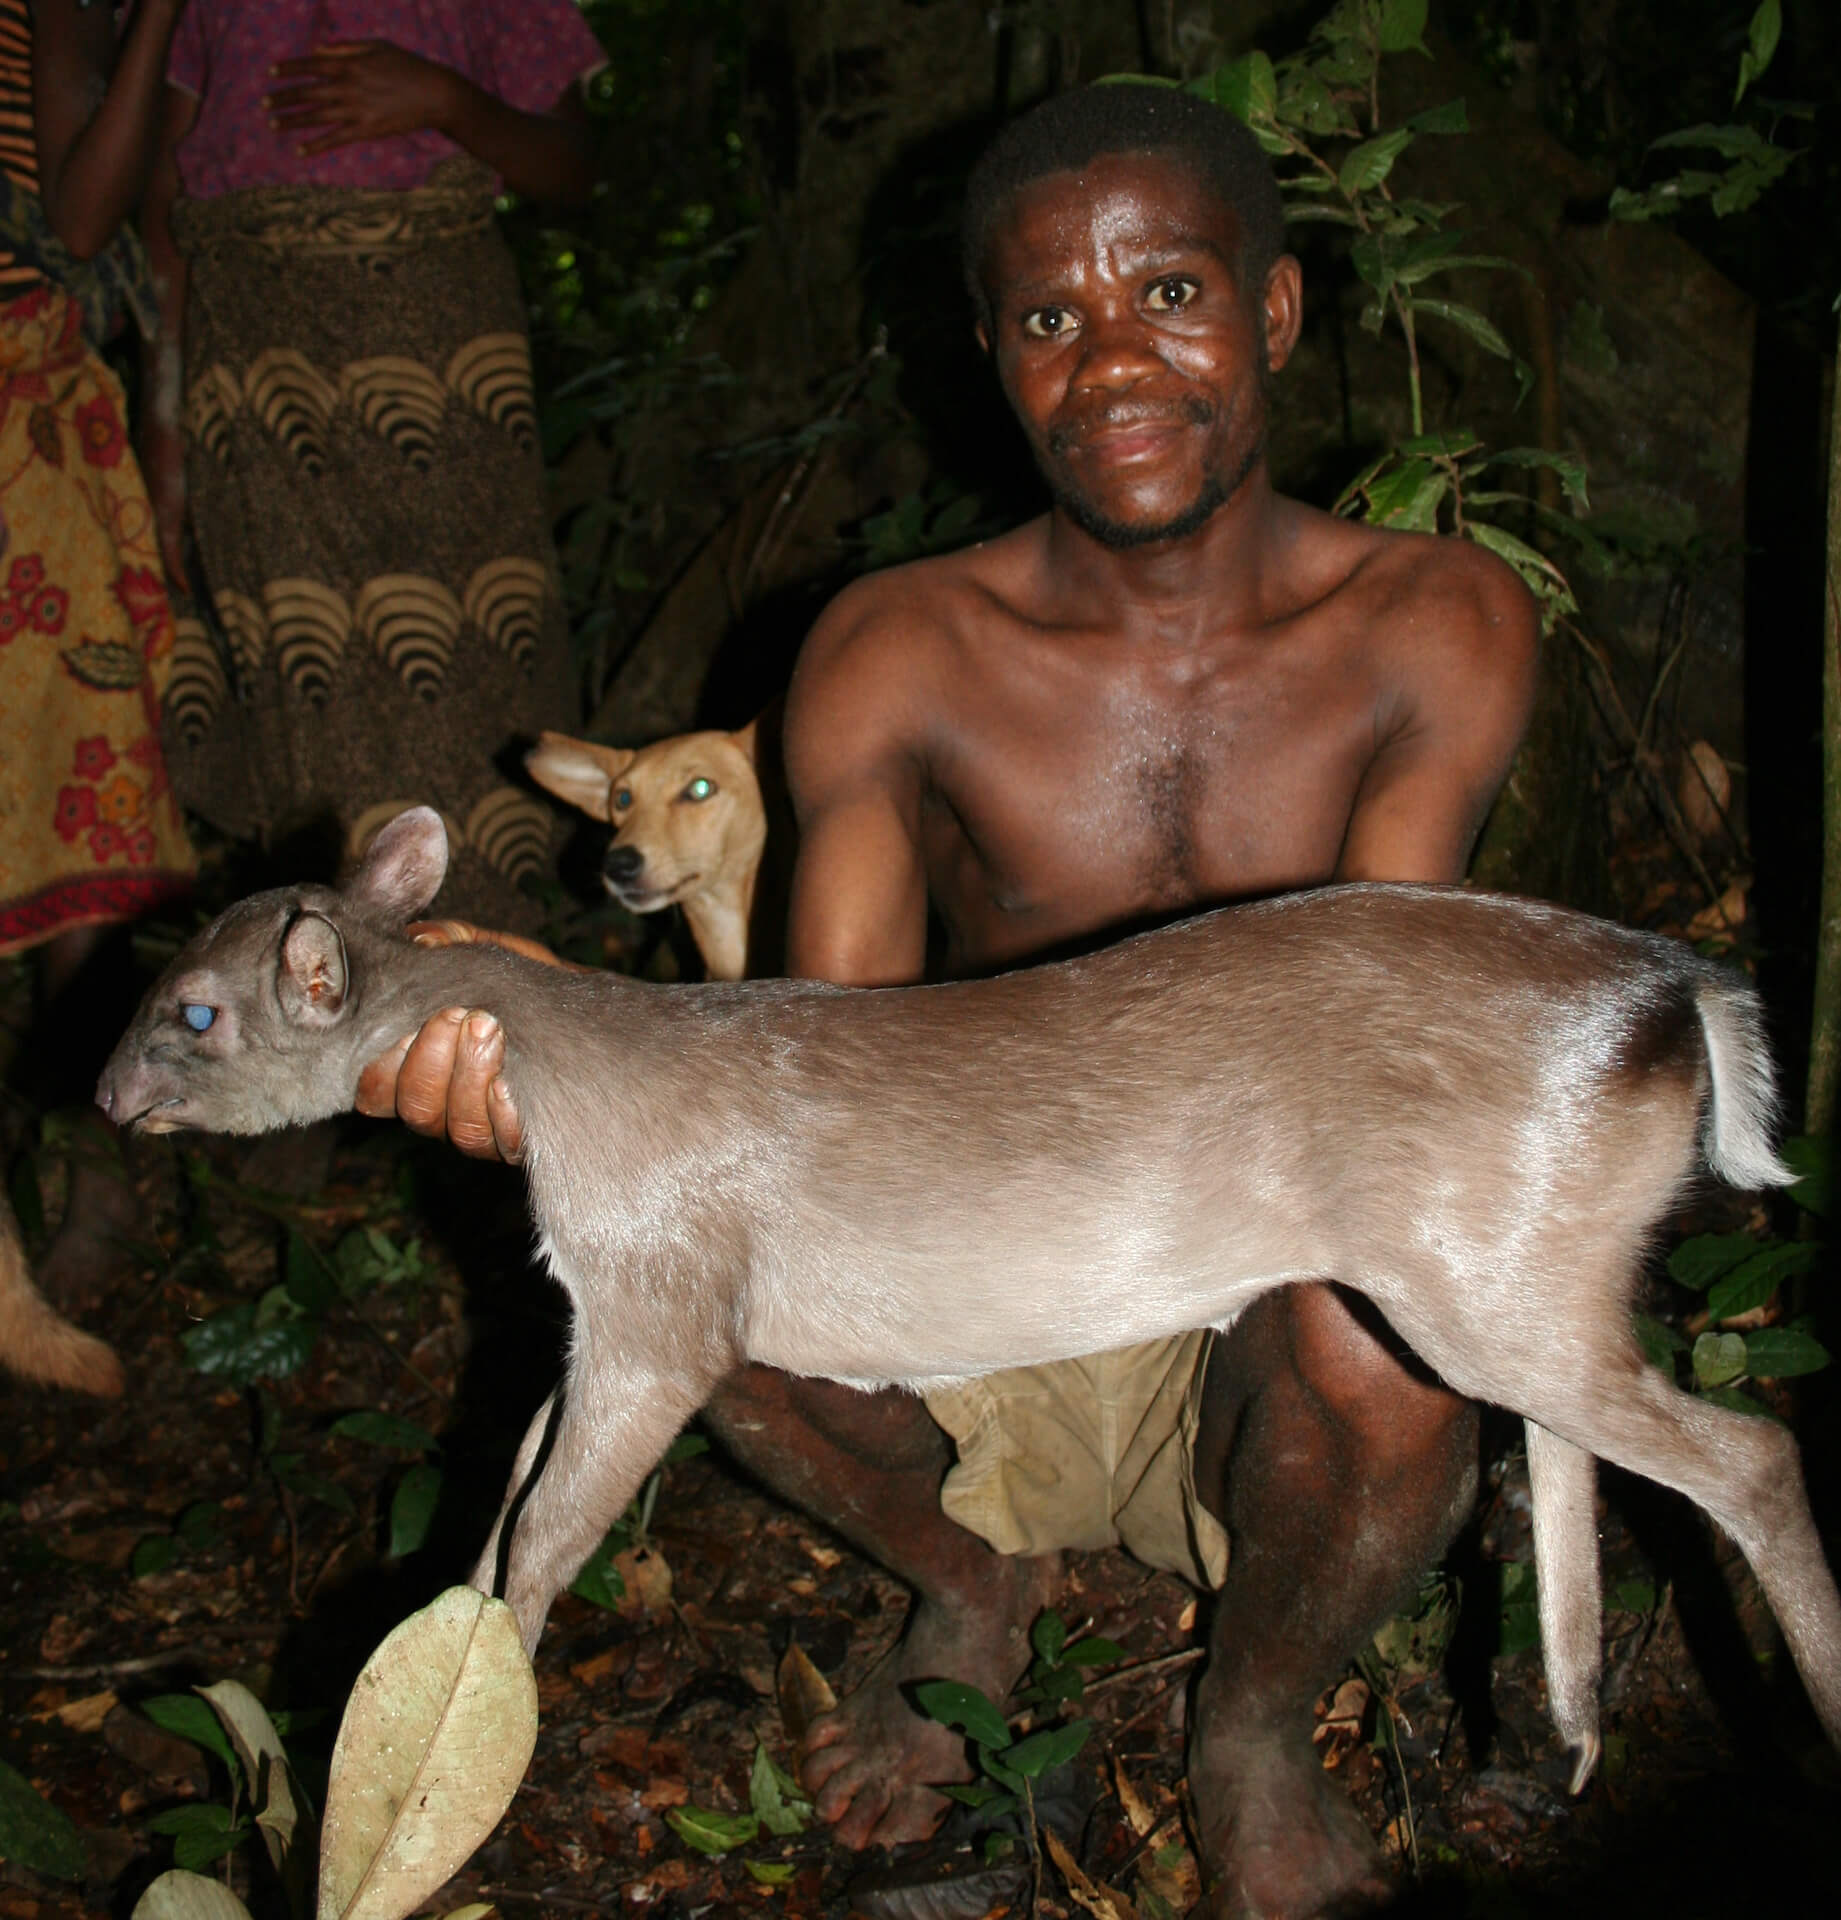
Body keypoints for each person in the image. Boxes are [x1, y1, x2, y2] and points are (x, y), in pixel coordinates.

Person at [361, 86, 1539, 1918]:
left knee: (1381, 1303)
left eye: (1170, 292)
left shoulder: (1430, 623)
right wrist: (566, 1041)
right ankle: (970, 1582)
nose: (1115, 364)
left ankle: (1252, 1719)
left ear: (1279, 313)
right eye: (1053, 321)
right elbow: (826, 1078)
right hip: (983, 1264)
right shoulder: (900, 648)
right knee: (682, 1223)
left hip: (1265, 1279)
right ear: (989, 355)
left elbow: (1372, 1043)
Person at [140, 1, 607, 931]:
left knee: (462, 664)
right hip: (255, 364)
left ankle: (486, 994)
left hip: (436, 355)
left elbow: (573, 167)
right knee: (306, 673)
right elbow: (164, 203)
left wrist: (447, 101)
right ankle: (335, 996)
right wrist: (165, 426)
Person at [0, 0, 199, 1342]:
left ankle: (95, 1174)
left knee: (82, 813)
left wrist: (171, 461)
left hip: (29, 414)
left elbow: (96, 231)